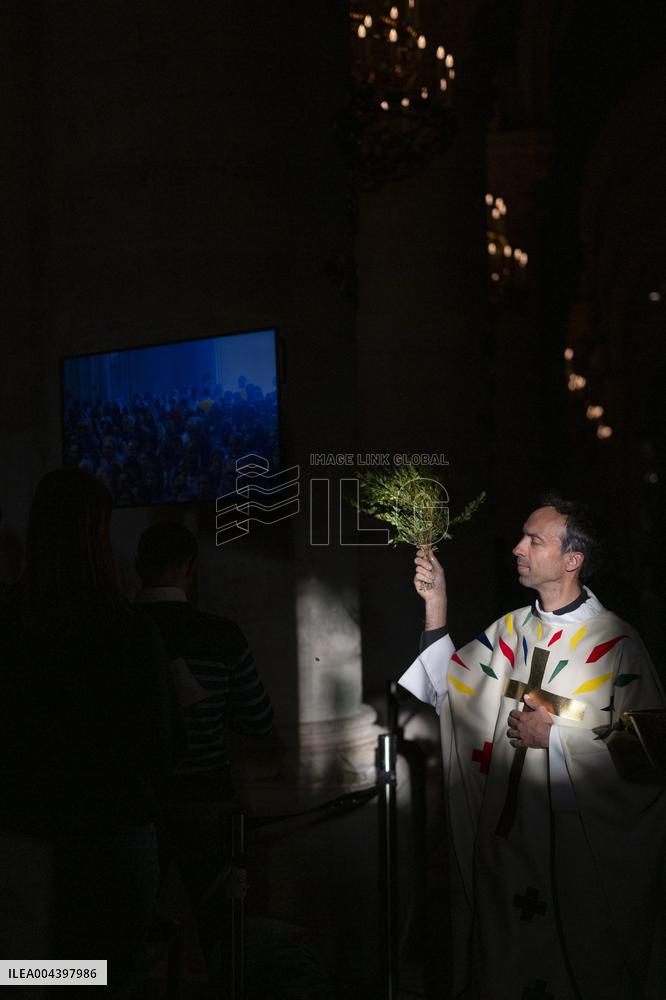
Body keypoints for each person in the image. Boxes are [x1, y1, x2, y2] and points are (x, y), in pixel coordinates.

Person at [399, 494, 665, 1000]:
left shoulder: (617, 645)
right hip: (506, 845)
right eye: (522, 536)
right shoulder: (511, 632)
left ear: (572, 560)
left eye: (534, 540)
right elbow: (452, 695)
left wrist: (560, 737)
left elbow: (652, 755)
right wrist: (436, 606)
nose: (518, 547)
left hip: (578, 857)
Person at [0, 468, 181, 994]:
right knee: (108, 981)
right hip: (110, 844)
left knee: (35, 981)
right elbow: (164, 746)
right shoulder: (127, 632)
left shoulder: (8, 625)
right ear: (99, 539)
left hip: (24, 839)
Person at [133, 522, 274, 989]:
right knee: (222, 934)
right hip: (208, 805)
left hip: (136, 806)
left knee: (128, 936)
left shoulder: (117, 631)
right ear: (191, 570)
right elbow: (257, 720)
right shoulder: (221, 636)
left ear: (137, 569)